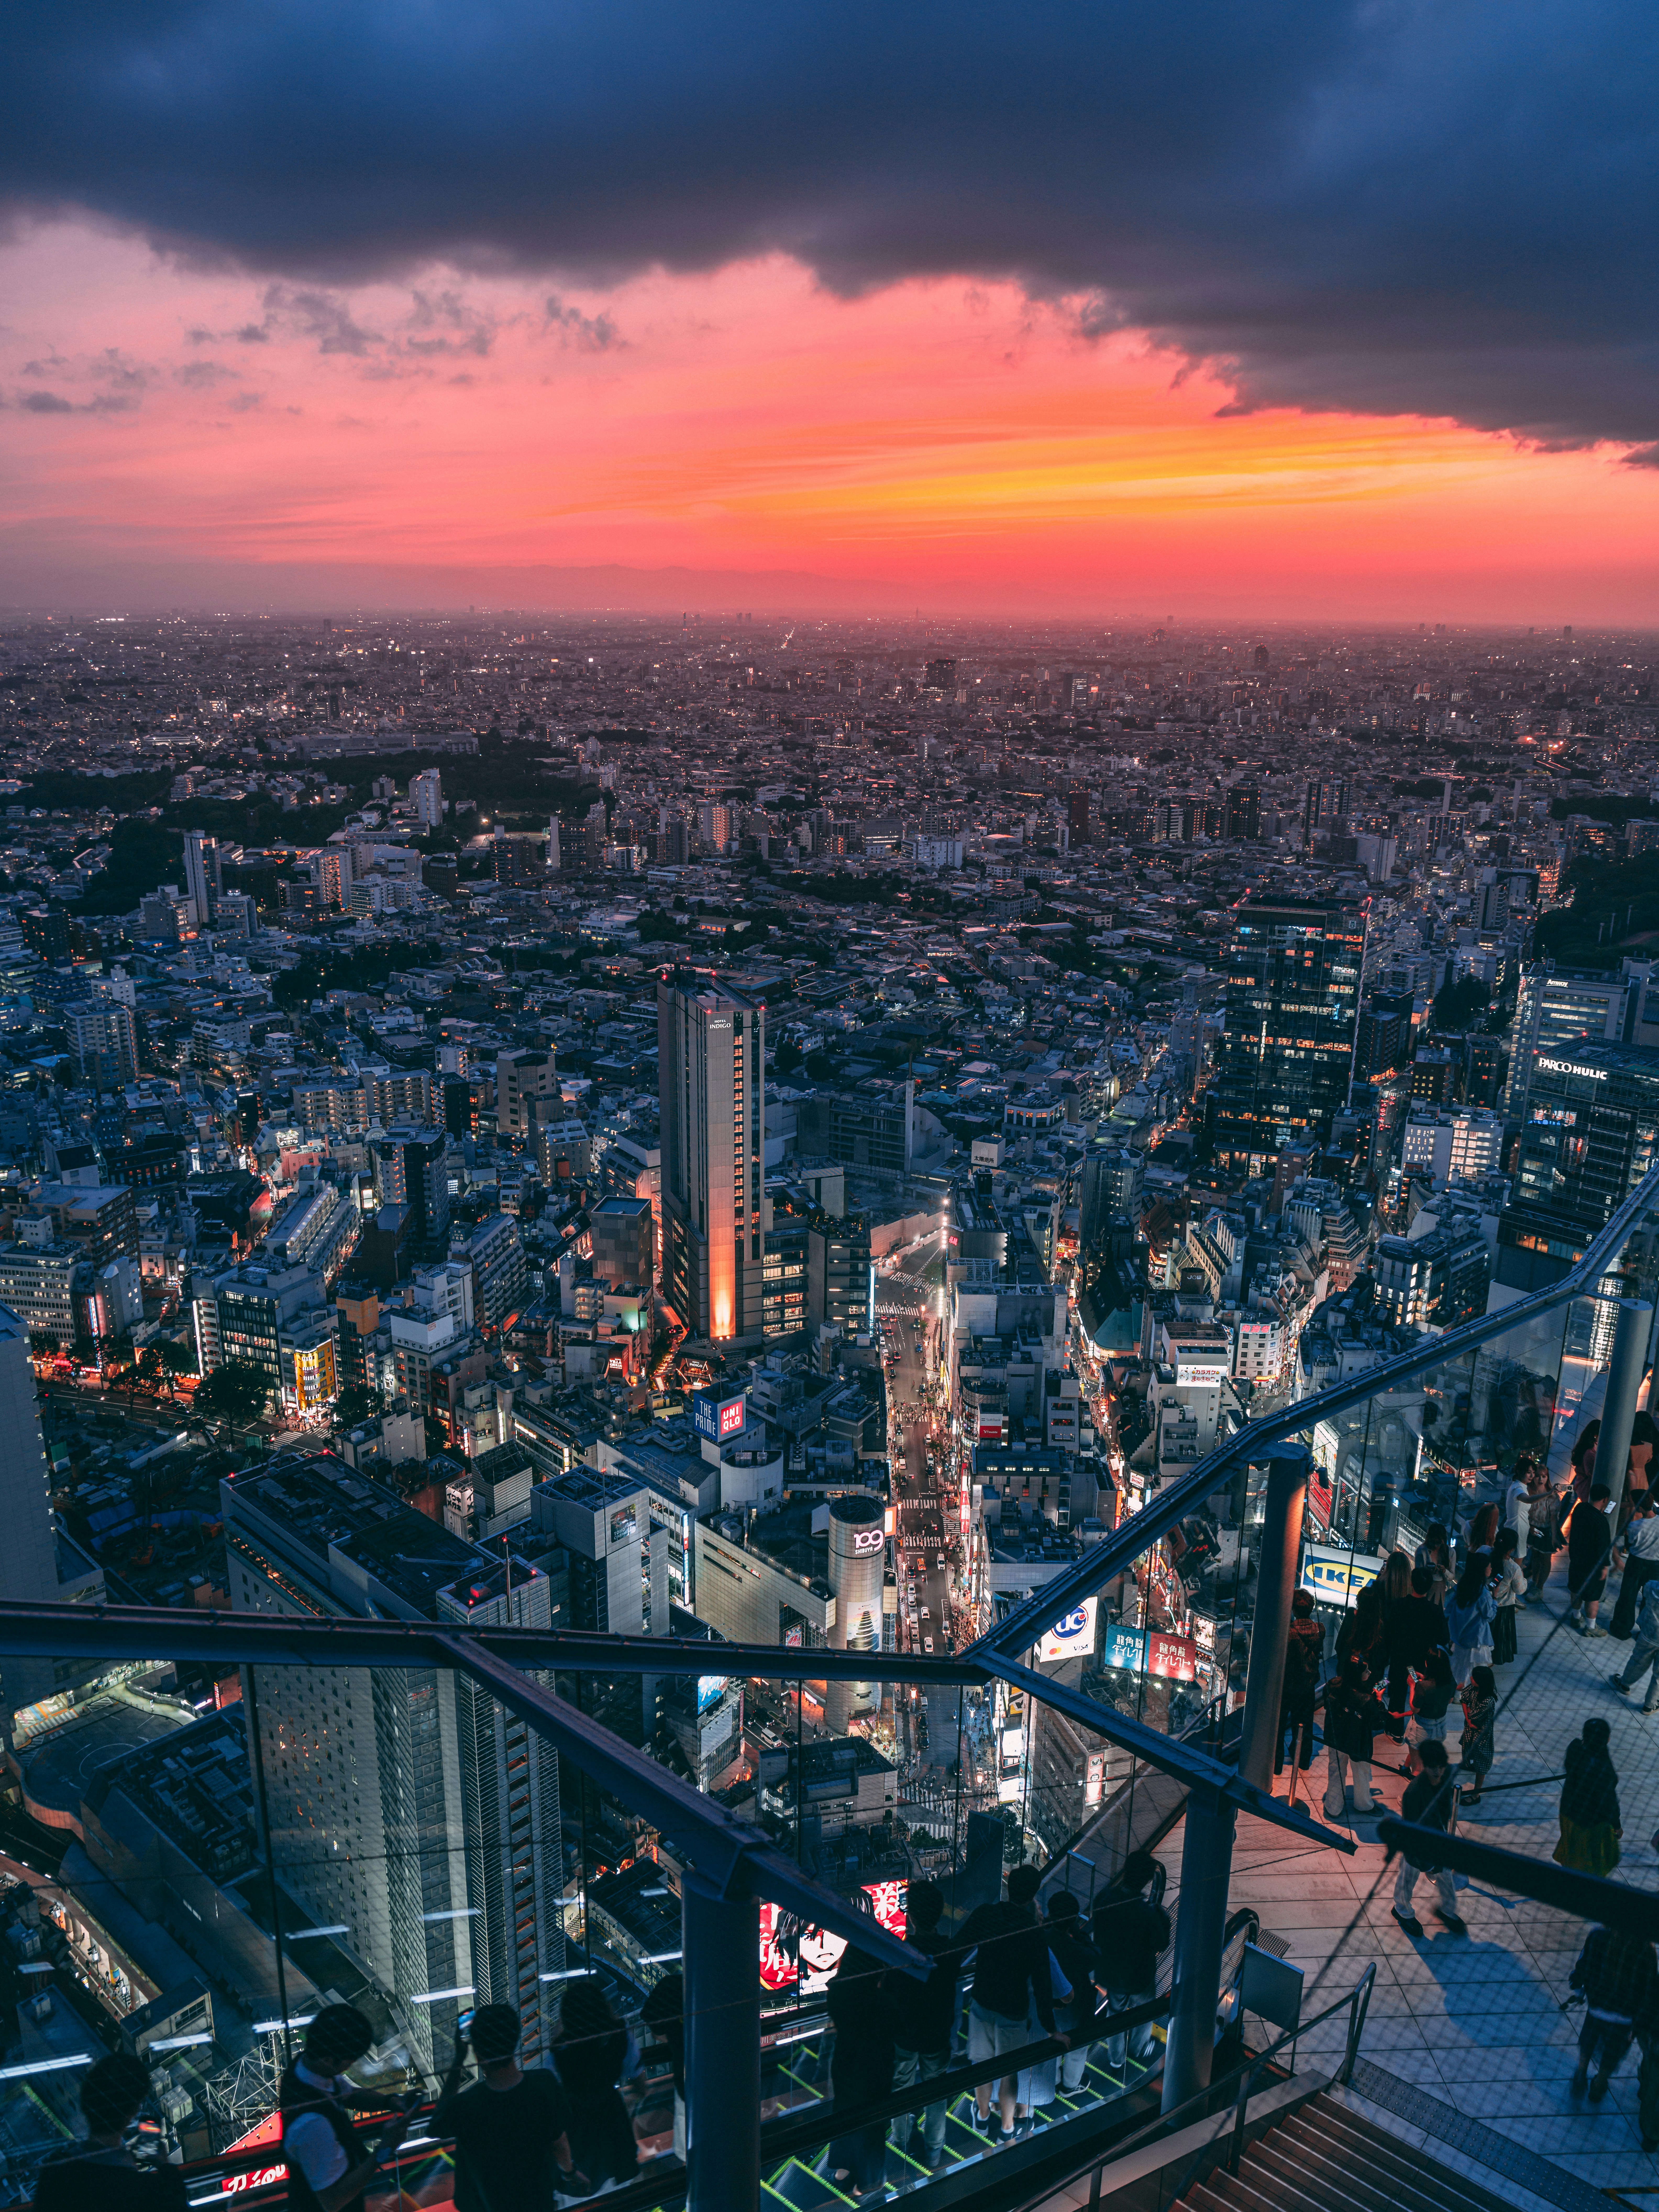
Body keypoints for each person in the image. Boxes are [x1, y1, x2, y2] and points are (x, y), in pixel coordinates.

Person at [433, 2003, 587, 2212]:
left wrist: (459, 2059)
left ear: (477, 2052)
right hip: (536, 2200)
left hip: (485, 2205)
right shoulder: (544, 2085)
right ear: (515, 2041)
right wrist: (570, 2173)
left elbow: (437, 2125)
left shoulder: (467, 2105)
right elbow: (559, 2142)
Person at [959, 1863, 1063, 2144]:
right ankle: (1007, 2130)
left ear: (1007, 1887)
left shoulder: (987, 1914)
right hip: (1015, 2012)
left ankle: (981, 2119)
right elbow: (1043, 1985)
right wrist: (1051, 2029)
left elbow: (958, 1948)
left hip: (982, 2004)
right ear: (1034, 1895)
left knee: (982, 2067)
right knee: (1009, 2074)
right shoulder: (1034, 1932)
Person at [280, 2004, 412, 2212]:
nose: (349, 2068)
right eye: (349, 2063)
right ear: (329, 2061)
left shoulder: (307, 2069)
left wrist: (391, 2102)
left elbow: (348, 2094)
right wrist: (385, 2149)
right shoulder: (312, 2124)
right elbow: (333, 2201)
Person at [33, 2053, 187, 2212]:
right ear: (134, 2111)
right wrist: (164, 2166)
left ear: (86, 2104)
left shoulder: (54, 2175)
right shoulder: (143, 2191)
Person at [824, 1894, 896, 2197]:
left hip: (845, 2060)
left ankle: (842, 2166)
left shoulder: (838, 1992)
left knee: (844, 2111)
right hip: (875, 2064)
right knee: (873, 2122)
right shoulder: (880, 2000)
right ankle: (867, 2180)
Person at [885, 1879, 954, 2170]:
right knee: (936, 2091)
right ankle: (934, 2151)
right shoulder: (949, 1951)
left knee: (901, 2087)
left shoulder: (900, 1953)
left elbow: (891, 1996)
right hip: (937, 2033)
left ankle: (901, 2140)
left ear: (910, 1916)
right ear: (939, 1914)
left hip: (904, 2035)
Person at [552, 1981, 640, 2195]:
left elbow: (553, 2092)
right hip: (615, 2125)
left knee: (580, 2195)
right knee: (620, 2194)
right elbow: (639, 2082)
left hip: (576, 2130)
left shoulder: (560, 2049)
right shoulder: (621, 2034)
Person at [1091, 1851, 1169, 2077]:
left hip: (1110, 1972)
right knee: (1144, 2011)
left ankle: (1116, 2059)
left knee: (1115, 2012)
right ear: (1147, 1880)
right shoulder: (1147, 1914)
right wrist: (1162, 1919)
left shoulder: (1104, 1898)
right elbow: (1161, 1944)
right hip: (1139, 1977)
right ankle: (1138, 2047)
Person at [1569, 1924, 1657, 2103]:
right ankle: (1599, 2086)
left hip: (1597, 2008)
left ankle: (1581, 2074)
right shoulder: (1647, 1951)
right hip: (1625, 2018)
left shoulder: (1598, 1936)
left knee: (1589, 2042)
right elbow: (1650, 1992)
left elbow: (1585, 1964)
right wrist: (1639, 2025)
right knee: (1612, 2053)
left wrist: (1578, 1989)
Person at [1388, 1740, 1466, 1938]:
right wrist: (1426, 1861)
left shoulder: (1443, 1780)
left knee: (1445, 1877)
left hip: (1436, 1839)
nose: (1438, 1771)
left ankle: (1447, 1910)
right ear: (1425, 1765)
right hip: (1417, 1845)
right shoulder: (1414, 1793)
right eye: (1434, 1767)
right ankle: (1403, 1911)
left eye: (1441, 1766)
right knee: (1408, 1877)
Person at [1323, 1605, 1387, 1816]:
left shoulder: (1333, 1685)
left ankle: (1334, 1807)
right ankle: (1363, 1804)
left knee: (1336, 1770)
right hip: (1358, 1741)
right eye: (1366, 1670)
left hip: (1335, 1736)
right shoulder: (1366, 1699)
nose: (1369, 1672)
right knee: (1361, 1772)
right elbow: (1378, 1723)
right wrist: (1378, 1701)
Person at [1386, 1564, 1451, 1744]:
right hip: (1424, 1663)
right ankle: (1422, 1726)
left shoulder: (1399, 1606)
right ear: (1429, 1587)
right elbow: (1445, 1638)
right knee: (1421, 1692)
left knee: (1398, 1692)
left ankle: (1396, 1730)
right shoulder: (1435, 1610)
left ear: (1411, 1584)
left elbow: (1389, 1633)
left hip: (1401, 1660)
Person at [1043, 1892, 1099, 2094]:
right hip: (1075, 2012)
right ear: (1073, 1920)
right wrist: (1081, 1933)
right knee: (1077, 2049)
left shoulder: (1042, 1937)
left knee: (1052, 2048)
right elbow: (1095, 1956)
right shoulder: (1075, 1948)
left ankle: (1052, 2080)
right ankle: (1070, 2086)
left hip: (1047, 2009)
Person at [1555, 1717, 1622, 1876]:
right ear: (1607, 1738)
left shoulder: (1575, 1749)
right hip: (1590, 1821)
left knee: (1572, 1849)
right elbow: (1608, 1801)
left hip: (1569, 1810)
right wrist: (1617, 1824)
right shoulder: (1603, 1768)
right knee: (1591, 1858)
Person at [639, 1973, 686, 2164]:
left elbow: (654, 2025)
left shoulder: (674, 1985)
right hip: (728, 2078)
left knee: (689, 2142)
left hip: (688, 2081)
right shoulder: (721, 1989)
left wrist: (675, 2038)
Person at [1276, 1588, 1324, 1774]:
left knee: (1279, 1726)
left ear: (1293, 1609)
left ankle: (1277, 1764)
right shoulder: (1320, 1630)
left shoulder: (1287, 1632)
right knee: (1304, 1725)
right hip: (1308, 1685)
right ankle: (1303, 1761)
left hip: (1287, 1685)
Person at [1567, 1482, 1616, 1635]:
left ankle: (1576, 1617)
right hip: (1593, 1566)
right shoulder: (1602, 1523)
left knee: (1576, 1589)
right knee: (1592, 1596)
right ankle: (1591, 1628)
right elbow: (1603, 1548)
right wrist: (1605, 1567)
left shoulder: (1580, 1509)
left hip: (1576, 1560)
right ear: (1605, 1500)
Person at [1612, 1489, 1659, 1641]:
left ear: (1639, 1506)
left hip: (1636, 1563)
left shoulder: (1635, 1527)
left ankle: (1622, 1628)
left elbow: (1629, 1546)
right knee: (1650, 1599)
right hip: (1656, 1566)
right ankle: (1647, 1631)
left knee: (1628, 1597)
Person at [1443, 1554, 1495, 1688]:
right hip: (1476, 1638)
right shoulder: (1483, 1593)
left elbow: (1449, 1609)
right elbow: (1489, 1616)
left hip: (1460, 1635)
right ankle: (1464, 1693)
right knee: (1473, 1668)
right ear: (1483, 1569)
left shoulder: (1462, 1587)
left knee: (1459, 1665)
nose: (1491, 1568)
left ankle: (1456, 1691)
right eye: (1489, 1566)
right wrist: (1495, 1600)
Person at [1612, 1576, 1659, 1713]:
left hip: (1649, 1634)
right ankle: (1650, 1705)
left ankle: (1625, 1684)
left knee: (1638, 1661)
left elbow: (1645, 1596)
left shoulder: (1652, 1587)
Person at [1458, 1664, 1498, 1804]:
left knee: (1482, 1764)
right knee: (1468, 1751)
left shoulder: (1488, 1701)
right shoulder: (1474, 1688)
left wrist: (1469, 1716)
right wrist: (1469, 1718)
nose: (1471, 1678)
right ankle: (1469, 1765)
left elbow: (1473, 1715)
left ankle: (1476, 1795)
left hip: (1482, 1737)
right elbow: (1464, 1699)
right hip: (1471, 1731)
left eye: (1474, 1677)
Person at [1488, 1528, 1526, 1664]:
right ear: (1512, 1549)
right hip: (1503, 1609)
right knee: (1499, 1637)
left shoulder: (1486, 1553)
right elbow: (1520, 1590)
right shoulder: (1514, 1568)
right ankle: (1492, 1660)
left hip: (1485, 1602)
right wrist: (1523, 1575)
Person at [1525, 1476, 1563, 1601]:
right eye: (1538, 1476)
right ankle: (1535, 1582)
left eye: (1544, 1476)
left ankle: (1540, 1588)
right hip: (1534, 1527)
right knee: (1535, 1555)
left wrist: (1554, 1536)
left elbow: (1553, 1518)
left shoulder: (1552, 1496)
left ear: (1548, 1478)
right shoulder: (1530, 1492)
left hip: (1546, 1530)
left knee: (1546, 1558)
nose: (1540, 1479)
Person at [1411, 1647, 1457, 1746]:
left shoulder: (1423, 1686)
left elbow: (1415, 1710)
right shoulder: (1451, 1680)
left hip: (1423, 1728)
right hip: (1441, 1726)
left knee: (1417, 1760)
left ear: (1427, 1664)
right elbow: (1450, 1701)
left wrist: (1412, 1686)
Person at [1414, 1524, 1453, 1607]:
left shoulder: (1451, 1552)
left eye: (1439, 1543)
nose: (1436, 1546)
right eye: (1434, 1542)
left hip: (1438, 1590)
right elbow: (1418, 1575)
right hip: (1426, 1590)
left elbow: (1452, 1576)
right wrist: (1429, 1573)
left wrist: (1445, 1571)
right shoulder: (1422, 1551)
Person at [1572, 1419, 1602, 1506]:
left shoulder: (1590, 1450)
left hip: (1585, 1490)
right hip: (1588, 1491)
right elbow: (1594, 1474)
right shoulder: (1590, 1453)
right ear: (1596, 1436)